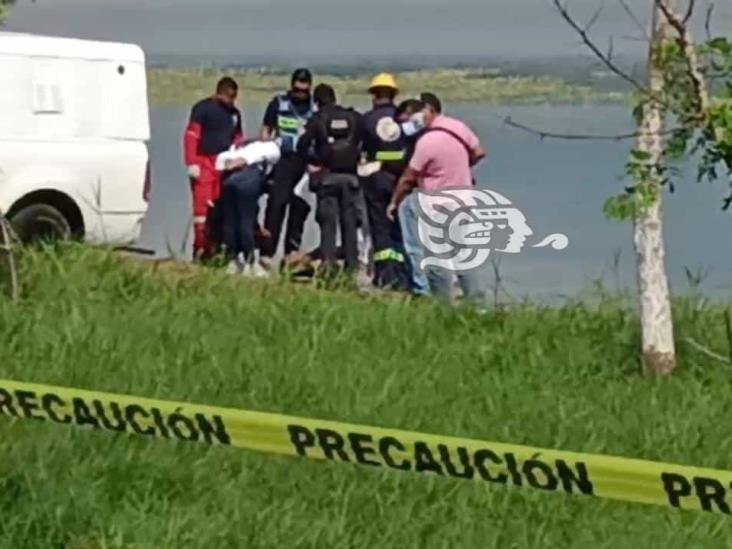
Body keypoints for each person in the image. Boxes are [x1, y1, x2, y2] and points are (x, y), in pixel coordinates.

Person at [387, 93, 488, 305]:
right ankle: (478, 306)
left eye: (418, 113)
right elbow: (479, 152)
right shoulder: (459, 127)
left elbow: (408, 177)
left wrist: (395, 201)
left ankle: (443, 306)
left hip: (437, 207)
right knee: (465, 258)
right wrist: (460, 167)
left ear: (429, 110)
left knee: (437, 262)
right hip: (464, 201)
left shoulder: (427, 142)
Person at [297, 84, 364, 274]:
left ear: (316, 102)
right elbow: (365, 138)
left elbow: (302, 145)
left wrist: (311, 162)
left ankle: (328, 267)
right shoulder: (354, 117)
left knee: (328, 225)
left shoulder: (317, 119)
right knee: (350, 225)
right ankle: (352, 268)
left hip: (327, 177)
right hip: (351, 178)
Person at [259, 68, 315, 270]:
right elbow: (266, 130)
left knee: (299, 209)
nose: (300, 93)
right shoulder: (279, 103)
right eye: (297, 89)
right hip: (282, 161)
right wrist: (264, 154)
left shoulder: (314, 107)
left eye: (303, 90)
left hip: (305, 162)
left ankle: (291, 255)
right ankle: (266, 254)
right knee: (276, 205)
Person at [183, 77, 245, 261]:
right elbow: (191, 136)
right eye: (229, 96)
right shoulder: (202, 109)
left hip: (224, 165)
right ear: (221, 92)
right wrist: (191, 161)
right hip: (204, 164)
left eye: (234, 97)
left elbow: (238, 138)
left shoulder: (235, 114)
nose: (231, 100)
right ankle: (200, 247)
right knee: (202, 211)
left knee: (221, 209)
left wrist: (237, 157)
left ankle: (216, 248)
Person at [359, 73, 410, 291]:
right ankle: (402, 276)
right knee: (399, 227)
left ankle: (384, 275)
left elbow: (361, 149)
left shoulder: (367, 119)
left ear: (374, 95)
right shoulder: (403, 120)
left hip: (375, 178)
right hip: (400, 179)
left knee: (379, 228)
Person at [215, 141, 281, 276]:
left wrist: (234, 161)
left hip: (228, 181)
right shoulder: (268, 147)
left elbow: (221, 163)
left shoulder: (233, 149)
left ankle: (233, 260)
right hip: (248, 181)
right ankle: (250, 262)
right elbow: (271, 156)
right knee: (246, 221)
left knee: (230, 221)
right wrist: (244, 160)